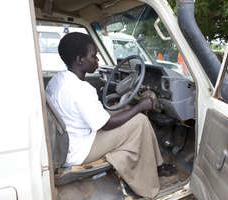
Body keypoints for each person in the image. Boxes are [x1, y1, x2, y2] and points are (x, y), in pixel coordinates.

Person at [45, 32, 175, 199]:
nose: (97, 60)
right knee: (140, 120)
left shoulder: (59, 79)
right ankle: (148, 182)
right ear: (80, 59)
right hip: (79, 150)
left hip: (70, 140)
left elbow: (92, 113)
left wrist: (128, 108)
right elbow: (106, 124)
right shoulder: (79, 89)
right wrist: (141, 106)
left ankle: (157, 164)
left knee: (125, 107)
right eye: (94, 56)